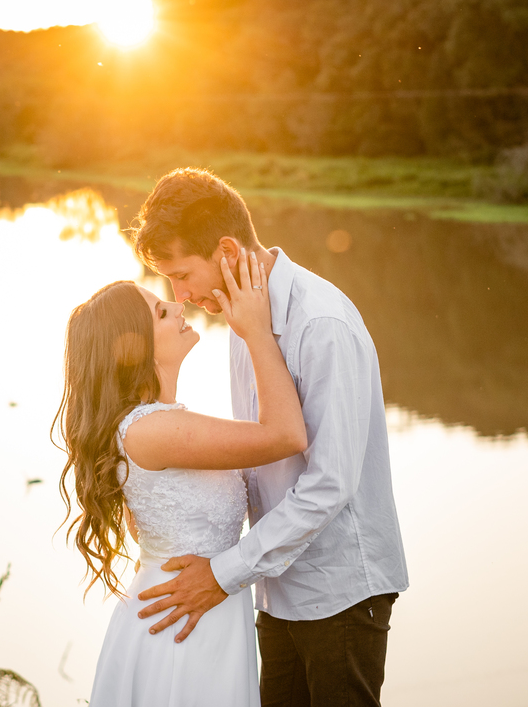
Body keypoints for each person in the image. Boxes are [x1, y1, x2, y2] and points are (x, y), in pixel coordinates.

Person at [131, 168, 409, 707]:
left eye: (183, 275)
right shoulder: (244, 320)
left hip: (341, 591)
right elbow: (263, 456)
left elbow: (331, 484)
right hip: (275, 588)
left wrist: (222, 573)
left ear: (228, 250)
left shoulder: (320, 323)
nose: (181, 295)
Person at [54, 250, 307, 705]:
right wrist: (256, 331)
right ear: (132, 348)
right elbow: (286, 434)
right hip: (181, 627)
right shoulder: (153, 429)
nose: (179, 306)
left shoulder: (151, 425)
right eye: (160, 311)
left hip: (193, 611)